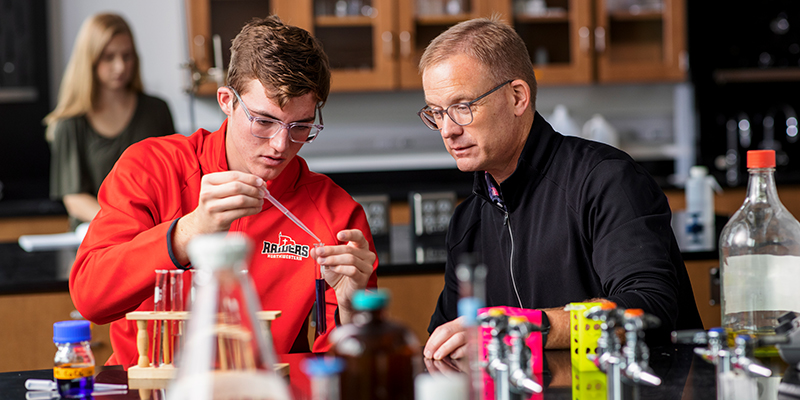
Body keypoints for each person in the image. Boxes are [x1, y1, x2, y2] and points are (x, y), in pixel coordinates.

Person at [69, 16, 378, 368]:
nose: (281, 145)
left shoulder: (334, 212)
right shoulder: (151, 168)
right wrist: (188, 232)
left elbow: (344, 371)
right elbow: (91, 298)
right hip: (148, 388)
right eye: (263, 121)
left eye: (301, 126)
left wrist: (353, 311)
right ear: (226, 101)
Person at [418, 17, 703, 360]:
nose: (447, 130)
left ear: (517, 97)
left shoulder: (606, 180)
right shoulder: (468, 222)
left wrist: (526, 327)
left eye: (462, 107)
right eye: (437, 113)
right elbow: (449, 336)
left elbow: (648, 309)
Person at [44, 13, 175, 230]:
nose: (120, 66)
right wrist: (127, 223)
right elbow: (75, 200)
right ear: (90, 60)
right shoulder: (70, 123)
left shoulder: (157, 110)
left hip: (156, 230)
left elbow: (174, 177)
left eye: (127, 56)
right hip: (98, 233)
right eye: (108, 57)